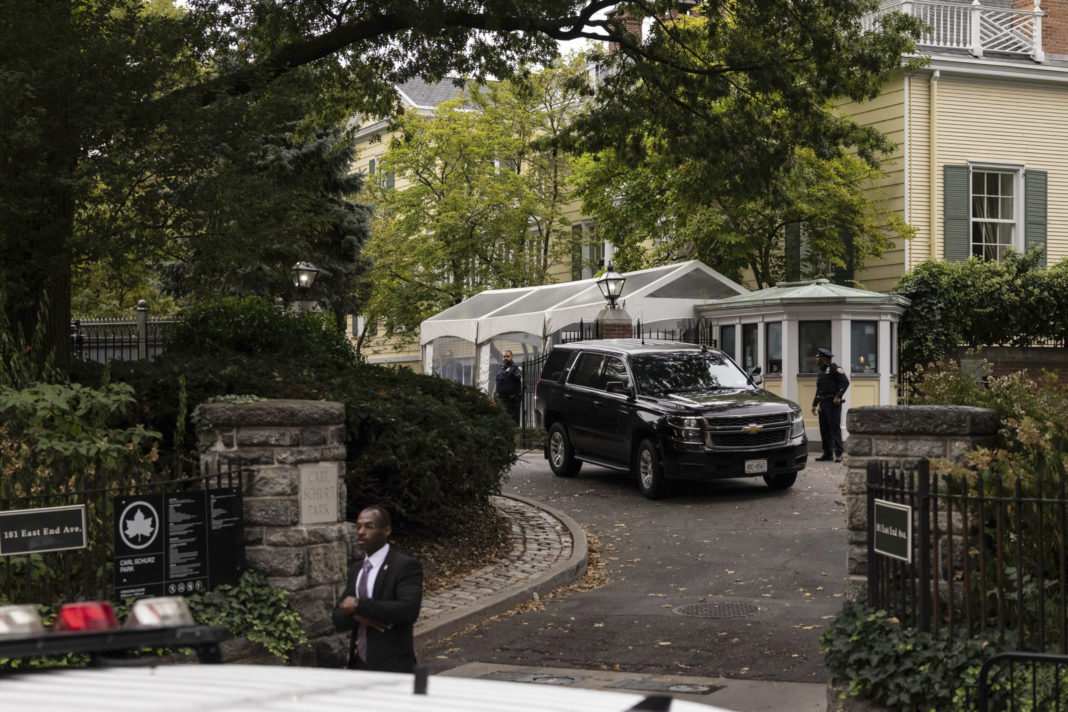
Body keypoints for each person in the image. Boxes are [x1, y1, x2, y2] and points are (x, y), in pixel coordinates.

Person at [332, 505, 423, 672]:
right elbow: (338, 617)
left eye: (369, 526)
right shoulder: (357, 569)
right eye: (358, 526)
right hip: (358, 665)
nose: (360, 531)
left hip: (393, 668)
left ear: (386, 530)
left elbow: (409, 610)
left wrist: (359, 605)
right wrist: (359, 617)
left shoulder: (404, 566)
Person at [811, 347, 850, 463]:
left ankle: (838, 453)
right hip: (823, 404)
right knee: (824, 429)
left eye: (818, 358)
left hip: (833, 404)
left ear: (823, 358)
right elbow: (819, 390)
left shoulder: (834, 369)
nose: (816, 360)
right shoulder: (822, 372)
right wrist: (814, 404)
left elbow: (845, 382)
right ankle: (827, 453)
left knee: (834, 429)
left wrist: (838, 396)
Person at [491, 349, 523, 425]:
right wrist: (493, 393)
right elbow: (498, 382)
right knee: (501, 421)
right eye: (504, 356)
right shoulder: (500, 367)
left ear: (511, 357)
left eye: (507, 356)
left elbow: (521, 379)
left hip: (511, 401)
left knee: (511, 422)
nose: (505, 358)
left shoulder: (515, 367)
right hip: (500, 400)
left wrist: (521, 392)